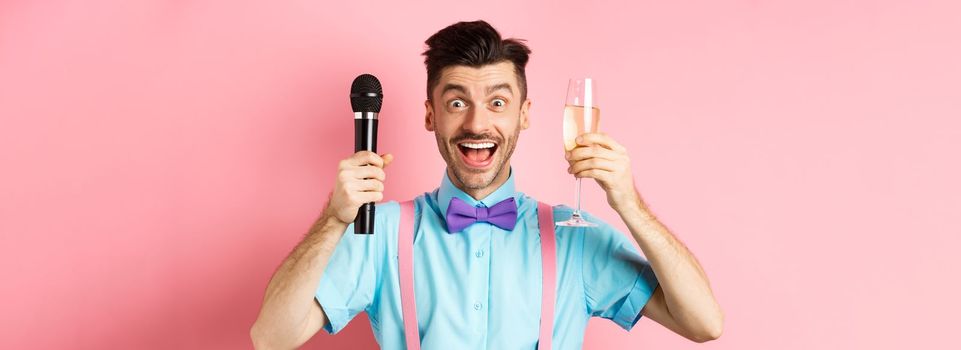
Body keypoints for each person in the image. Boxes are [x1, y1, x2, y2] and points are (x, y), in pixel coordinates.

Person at [251, 20, 723, 349]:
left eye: (497, 103)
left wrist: (630, 204)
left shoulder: (574, 238)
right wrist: (334, 220)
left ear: (524, 114)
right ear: (430, 115)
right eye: (457, 103)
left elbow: (703, 323)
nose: (478, 123)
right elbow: (270, 338)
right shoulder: (379, 233)